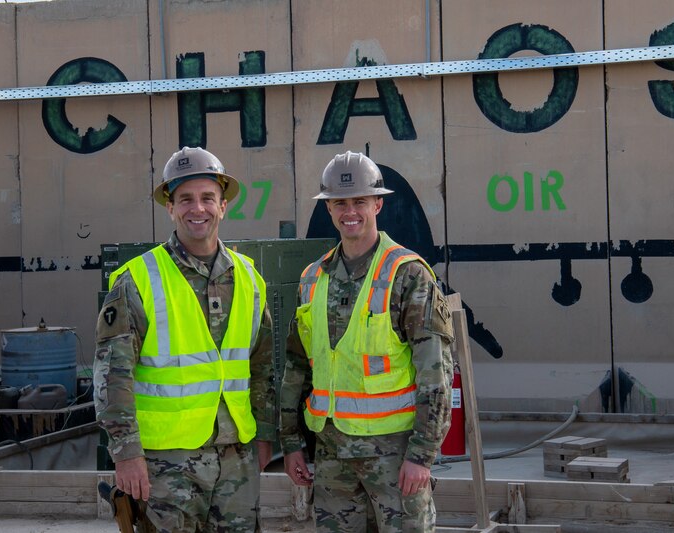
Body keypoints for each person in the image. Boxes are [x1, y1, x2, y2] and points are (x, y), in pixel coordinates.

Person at [93, 146, 275, 533]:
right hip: (165, 465)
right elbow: (112, 377)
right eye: (186, 199)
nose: (198, 209)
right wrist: (126, 455)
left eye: (208, 198)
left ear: (223, 205)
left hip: (236, 459)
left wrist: (264, 435)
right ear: (170, 207)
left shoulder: (249, 279)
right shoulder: (138, 280)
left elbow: (260, 367)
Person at [279, 151, 455, 532]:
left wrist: (422, 454)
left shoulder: (408, 275)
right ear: (328, 208)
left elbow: (436, 373)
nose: (350, 211)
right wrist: (291, 441)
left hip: (394, 457)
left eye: (360, 201)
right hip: (332, 458)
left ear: (378, 203)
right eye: (339, 202)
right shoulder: (313, 278)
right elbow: (296, 366)